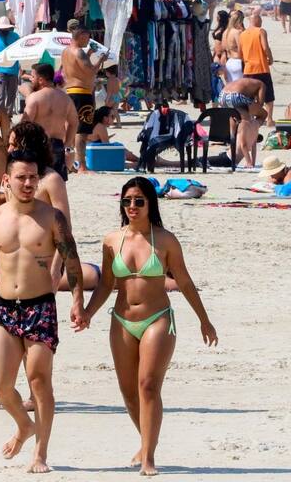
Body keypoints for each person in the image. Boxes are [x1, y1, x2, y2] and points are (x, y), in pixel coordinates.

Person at [0, 149, 85, 475]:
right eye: (22, 177)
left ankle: (40, 453)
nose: (28, 183)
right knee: (0, 385)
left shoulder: (51, 217)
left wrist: (77, 300)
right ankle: (24, 426)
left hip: (40, 307)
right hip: (5, 309)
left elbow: (71, 259)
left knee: (39, 381)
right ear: (7, 180)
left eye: (33, 177)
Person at [83, 177, 218, 476]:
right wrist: (88, 312)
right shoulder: (111, 240)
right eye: (127, 201)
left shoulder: (165, 240)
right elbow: (106, 284)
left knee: (148, 386)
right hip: (121, 321)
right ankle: (145, 441)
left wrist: (204, 320)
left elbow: (183, 280)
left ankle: (149, 458)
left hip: (157, 319)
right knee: (128, 392)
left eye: (139, 201)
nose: (132, 206)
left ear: (150, 204)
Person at [60, 19, 106, 173]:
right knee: (82, 130)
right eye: (87, 38)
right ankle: (82, 166)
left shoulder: (66, 51)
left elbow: (77, 67)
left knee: (71, 128)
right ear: (81, 36)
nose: (88, 40)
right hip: (82, 93)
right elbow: (91, 71)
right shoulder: (78, 51)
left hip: (70, 92)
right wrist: (100, 59)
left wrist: (90, 53)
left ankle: (69, 164)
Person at [20, 63, 79, 180]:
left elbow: (24, 125)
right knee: (56, 183)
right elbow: (74, 123)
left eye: (33, 77)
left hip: (37, 144)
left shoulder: (34, 97)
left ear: (41, 80)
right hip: (57, 145)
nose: (31, 80)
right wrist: (67, 144)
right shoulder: (65, 98)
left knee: (36, 183)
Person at [218, 76, 266, 167]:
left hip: (222, 96)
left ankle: (233, 138)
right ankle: (251, 134)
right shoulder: (261, 84)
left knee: (233, 116)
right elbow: (260, 104)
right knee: (264, 114)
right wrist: (253, 124)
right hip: (236, 96)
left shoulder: (244, 82)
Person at [239, 9, 276, 126]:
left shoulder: (242, 34)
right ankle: (269, 119)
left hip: (248, 69)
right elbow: (265, 47)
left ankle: (250, 118)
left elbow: (240, 54)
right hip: (261, 67)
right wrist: (270, 58)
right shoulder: (261, 31)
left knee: (249, 95)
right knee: (268, 95)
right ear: (258, 21)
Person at [0, 16, 21, 115]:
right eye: (2, 28)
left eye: (5, 28)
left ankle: (9, 116)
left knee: (12, 95)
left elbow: (19, 52)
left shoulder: (15, 37)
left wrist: (20, 67)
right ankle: (0, 116)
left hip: (13, 70)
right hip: (0, 70)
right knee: (1, 95)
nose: (4, 30)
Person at [222, 10, 245, 83]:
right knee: (240, 87)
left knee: (231, 87)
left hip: (229, 61)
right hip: (237, 61)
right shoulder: (236, 32)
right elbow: (241, 48)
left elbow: (223, 47)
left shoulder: (225, 32)